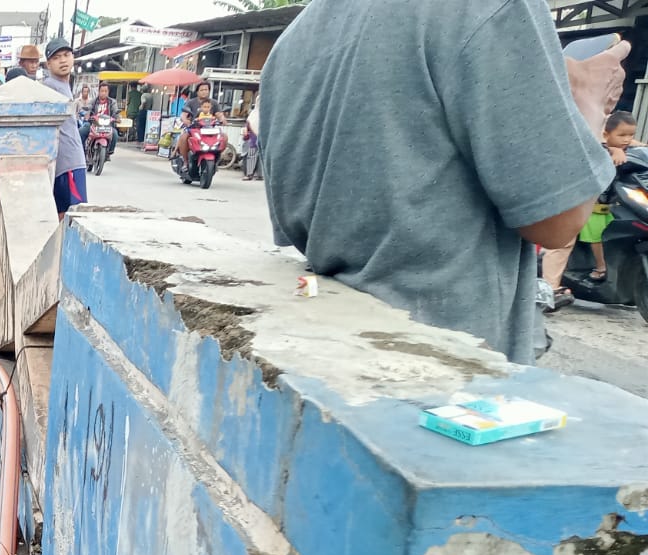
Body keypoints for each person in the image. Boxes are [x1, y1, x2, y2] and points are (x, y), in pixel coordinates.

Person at [260, 0, 629, 364]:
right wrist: (589, 103)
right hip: (446, 372)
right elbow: (559, 222)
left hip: (329, 352)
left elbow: (292, 221)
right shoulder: (492, 7)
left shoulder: (295, 37)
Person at [578, 111, 640, 282]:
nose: (627, 139)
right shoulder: (600, 150)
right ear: (606, 134)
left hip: (611, 206)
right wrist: (613, 149)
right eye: (622, 135)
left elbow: (638, 146)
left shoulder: (627, 148)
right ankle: (600, 266)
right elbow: (601, 147)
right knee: (597, 236)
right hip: (592, 207)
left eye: (630, 135)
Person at [42, 38, 88, 218]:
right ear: (48, 64)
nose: (63, 60)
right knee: (70, 217)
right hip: (67, 163)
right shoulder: (49, 87)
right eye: (56, 57)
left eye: (67, 55)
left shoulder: (64, 86)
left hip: (73, 161)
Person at [81, 81, 118, 148]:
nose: (103, 93)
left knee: (115, 134)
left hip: (107, 126)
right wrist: (87, 114)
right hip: (94, 124)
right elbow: (89, 107)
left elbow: (115, 111)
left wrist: (118, 118)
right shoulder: (93, 101)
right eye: (102, 91)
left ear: (108, 92)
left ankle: (109, 152)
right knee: (81, 131)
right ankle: (81, 150)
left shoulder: (112, 102)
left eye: (105, 91)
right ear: (99, 91)